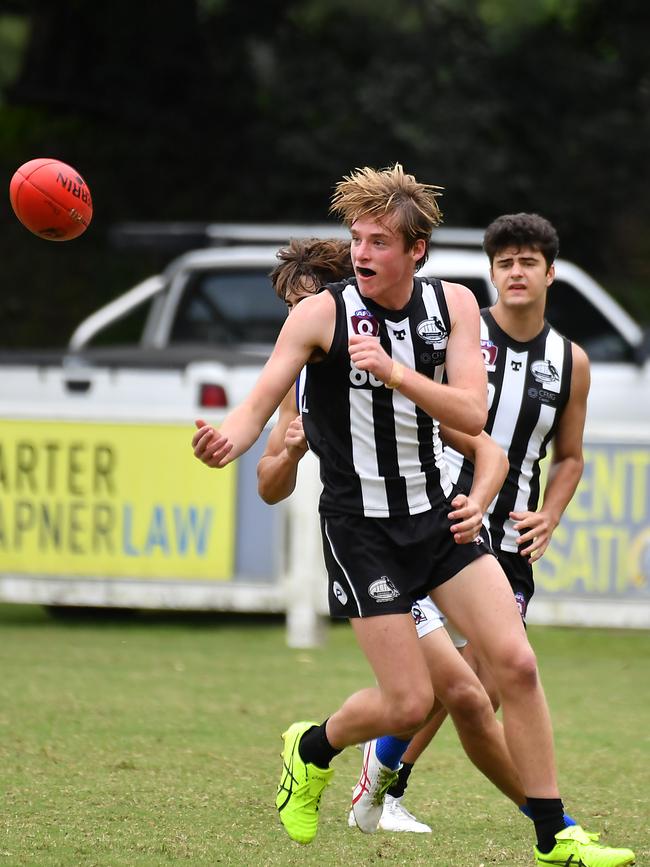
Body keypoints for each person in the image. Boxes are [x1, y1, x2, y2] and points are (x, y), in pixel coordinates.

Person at [191, 167, 634, 866]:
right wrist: (227, 438)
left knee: (514, 662)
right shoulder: (320, 314)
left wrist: (397, 373)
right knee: (407, 702)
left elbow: (472, 414)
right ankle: (311, 746)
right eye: (357, 240)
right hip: (361, 531)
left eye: (379, 241)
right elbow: (259, 405)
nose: (363, 254)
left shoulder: (452, 306)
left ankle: (556, 833)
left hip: (435, 520)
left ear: (417, 248)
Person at [258, 236, 536, 835]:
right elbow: (269, 485)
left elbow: (487, 449)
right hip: (371, 549)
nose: (300, 320)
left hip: (428, 532)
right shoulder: (299, 377)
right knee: (453, 696)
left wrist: (479, 502)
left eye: (307, 302)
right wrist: (287, 452)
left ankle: (542, 818)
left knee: (470, 692)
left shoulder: (395, 356)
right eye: (290, 307)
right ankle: (543, 820)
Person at [365, 213, 617, 844]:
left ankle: (386, 772)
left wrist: (551, 515)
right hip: (442, 526)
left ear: (550, 273)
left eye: (528, 261)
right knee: (458, 687)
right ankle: (389, 775)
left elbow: (571, 456)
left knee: (481, 688)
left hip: (510, 546)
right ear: (491, 272)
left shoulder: (570, 362)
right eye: (504, 262)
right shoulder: (461, 334)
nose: (515, 272)